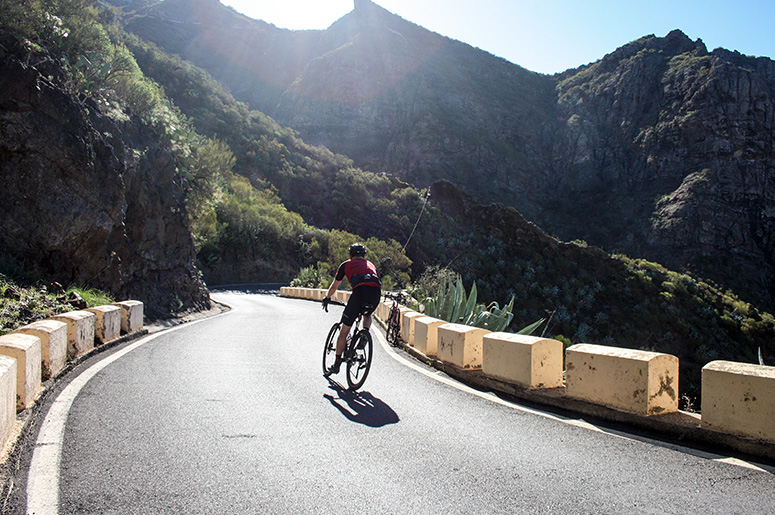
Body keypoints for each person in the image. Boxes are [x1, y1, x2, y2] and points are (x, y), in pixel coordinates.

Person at [322, 243, 382, 374]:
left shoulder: (346, 264)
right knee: (367, 314)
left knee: (344, 331)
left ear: (350, 255)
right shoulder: (371, 264)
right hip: (376, 292)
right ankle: (365, 333)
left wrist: (327, 297)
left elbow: (334, 285)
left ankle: (337, 363)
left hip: (359, 292)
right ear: (364, 255)